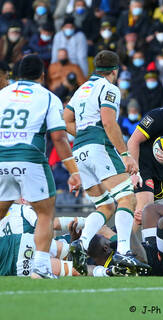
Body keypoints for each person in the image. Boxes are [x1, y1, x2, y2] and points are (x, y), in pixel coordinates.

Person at [63, 50, 148, 276]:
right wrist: (125, 154)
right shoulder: (109, 88)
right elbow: (109, 123)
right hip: (99, 146)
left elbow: (65, 120)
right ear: (115, 71)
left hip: (79, 149)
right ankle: (123, 251)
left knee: (105, 206)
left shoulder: (81, 89)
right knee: (127, 198)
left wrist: (83, 133)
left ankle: (80, 245)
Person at [0, 54, 81, 279]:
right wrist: (74, 171)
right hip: (29, 156)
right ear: (42, 76)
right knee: (44, 211)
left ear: (17, 75)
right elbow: (58, 137)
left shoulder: (2, 94)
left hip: (1, 156)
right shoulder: (48, 97)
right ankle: (42, 267)